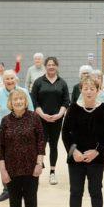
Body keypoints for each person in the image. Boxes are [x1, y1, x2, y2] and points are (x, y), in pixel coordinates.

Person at [62, 77, 104, 207]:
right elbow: (65, 134)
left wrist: (97, 151)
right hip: (76, 159)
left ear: (98, 91)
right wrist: (74, 151)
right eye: (86, 88)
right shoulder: (73, 108)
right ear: (81, 90)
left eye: (92, 88)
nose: (89, 91)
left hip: (96, 160)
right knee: (76, 192)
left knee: (95, 192)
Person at [0, 89, 45, 207]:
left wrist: (39, 164)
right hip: (11, 169)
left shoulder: (34, 117)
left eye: (21, 99)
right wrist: (3, 171)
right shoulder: (5, 121)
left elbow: (41, 142)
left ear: (25, 101)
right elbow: (1, 148)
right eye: (15, 99)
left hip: (31, 167)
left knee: (31, 200)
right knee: (14, 202)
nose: (18, 102)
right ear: (10, 103)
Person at [0, 70, 34, 202]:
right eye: (7, 79)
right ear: (3, 81)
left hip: (23, 132)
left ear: (16, 79)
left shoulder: (24, 92)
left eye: (11, 78)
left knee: (23, 160)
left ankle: (22, 188)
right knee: (5, 161)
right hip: (4, 134)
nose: (9, 81)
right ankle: (7, 189)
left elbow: (31, 111)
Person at [30, 56, 70, 185]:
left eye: (53, 64)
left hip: (57, 120)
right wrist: (42, 115)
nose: (51, 67)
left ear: (57, 66)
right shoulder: (38, 82)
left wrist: (59, 114)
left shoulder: (62, 83)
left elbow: (66, 101)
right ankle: (38, 169)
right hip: (41, 119)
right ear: (45, 66)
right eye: (49, 65)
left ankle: (52, 172)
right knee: (40, 145)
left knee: (53, 145)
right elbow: (33, 101)